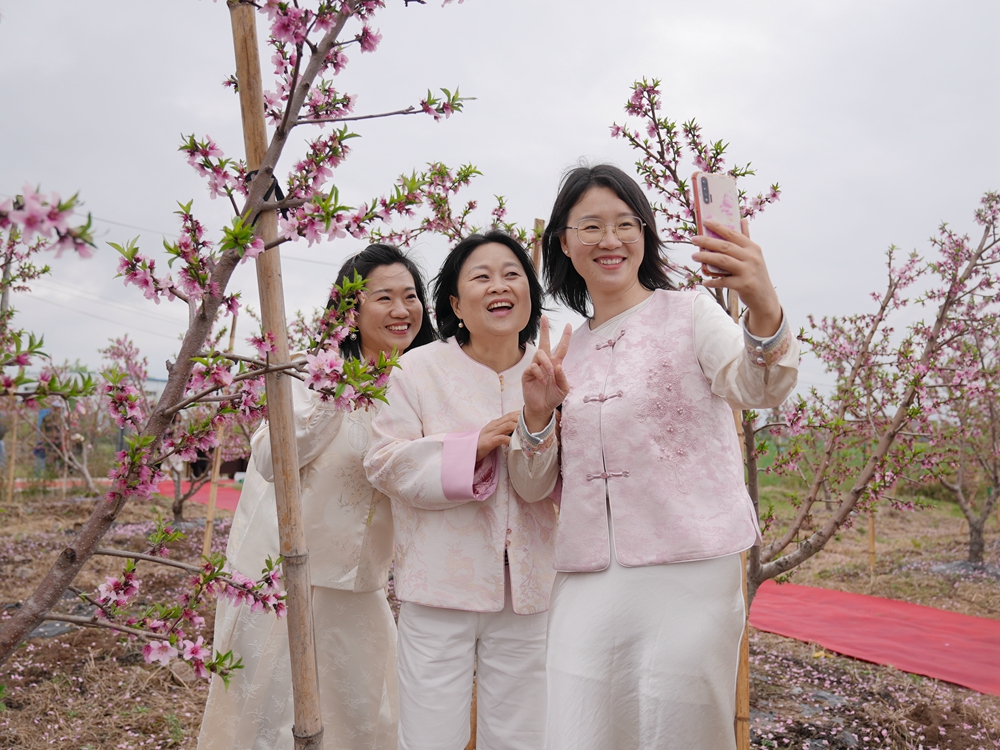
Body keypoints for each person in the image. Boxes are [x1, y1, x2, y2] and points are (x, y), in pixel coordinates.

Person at [518, 164, 799, 749]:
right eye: (591, 226)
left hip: (689, 569)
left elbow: (759, 386)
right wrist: (539, 417)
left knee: (680, 724)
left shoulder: (690, 312)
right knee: (582, 724)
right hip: (589, 574)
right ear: (564, 243)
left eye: (626, 223)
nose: (610, 239)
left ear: (644, 234)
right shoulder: (570, 348)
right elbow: (533, 485)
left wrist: (762, 303)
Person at [198, 243, 436, 750]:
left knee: (363, 719)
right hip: (288, 582)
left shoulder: (421, 384)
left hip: (360, 585)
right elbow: (267, 460)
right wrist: (336, 388)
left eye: (411, 296)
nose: (401, 310)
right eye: (384, 297)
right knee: (276, 722)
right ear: (351, 310)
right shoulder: (309, 374)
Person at [364, 231, 560, 750]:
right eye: (481, 276)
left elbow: (557, 480)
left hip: (529, 591)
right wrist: (470, 447)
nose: (500, 286)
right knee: (429, 738)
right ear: (454, 301)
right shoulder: (414, 370)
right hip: (438, 589)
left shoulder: (553, 373)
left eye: (512, 274)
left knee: (524, 737)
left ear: (530, 291)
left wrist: (539, 428)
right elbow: (384, 463)